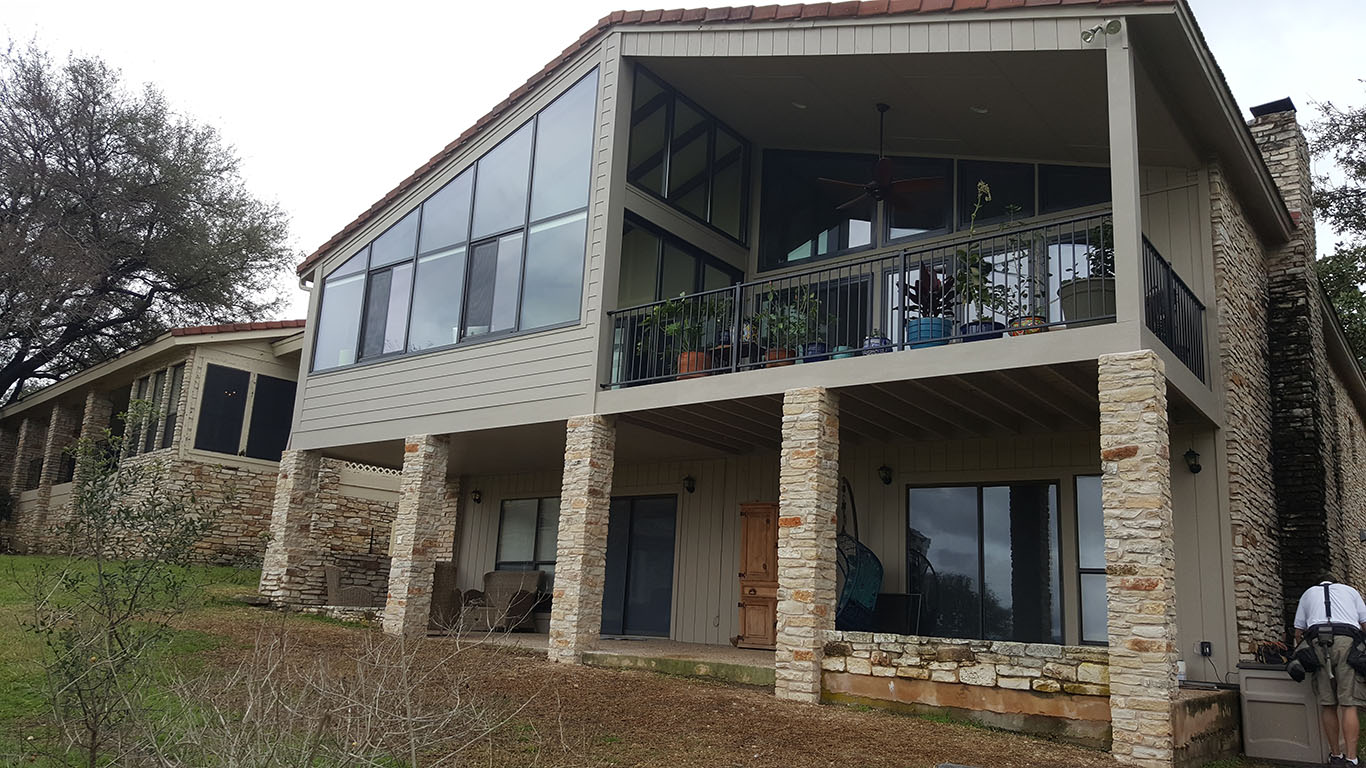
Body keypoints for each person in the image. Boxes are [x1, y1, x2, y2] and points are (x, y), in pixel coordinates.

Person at [1294, 577, 1366, 767]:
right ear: (1336, 583)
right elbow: (1365, 623)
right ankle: (1351, 759)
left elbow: (1298, 632)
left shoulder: (1308, 593)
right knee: (1349, 703)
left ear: (1318, 583)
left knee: (1328, 704)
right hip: (1346, 641)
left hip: (1318, 641)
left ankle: (1335, 756)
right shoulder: (1350, 591)